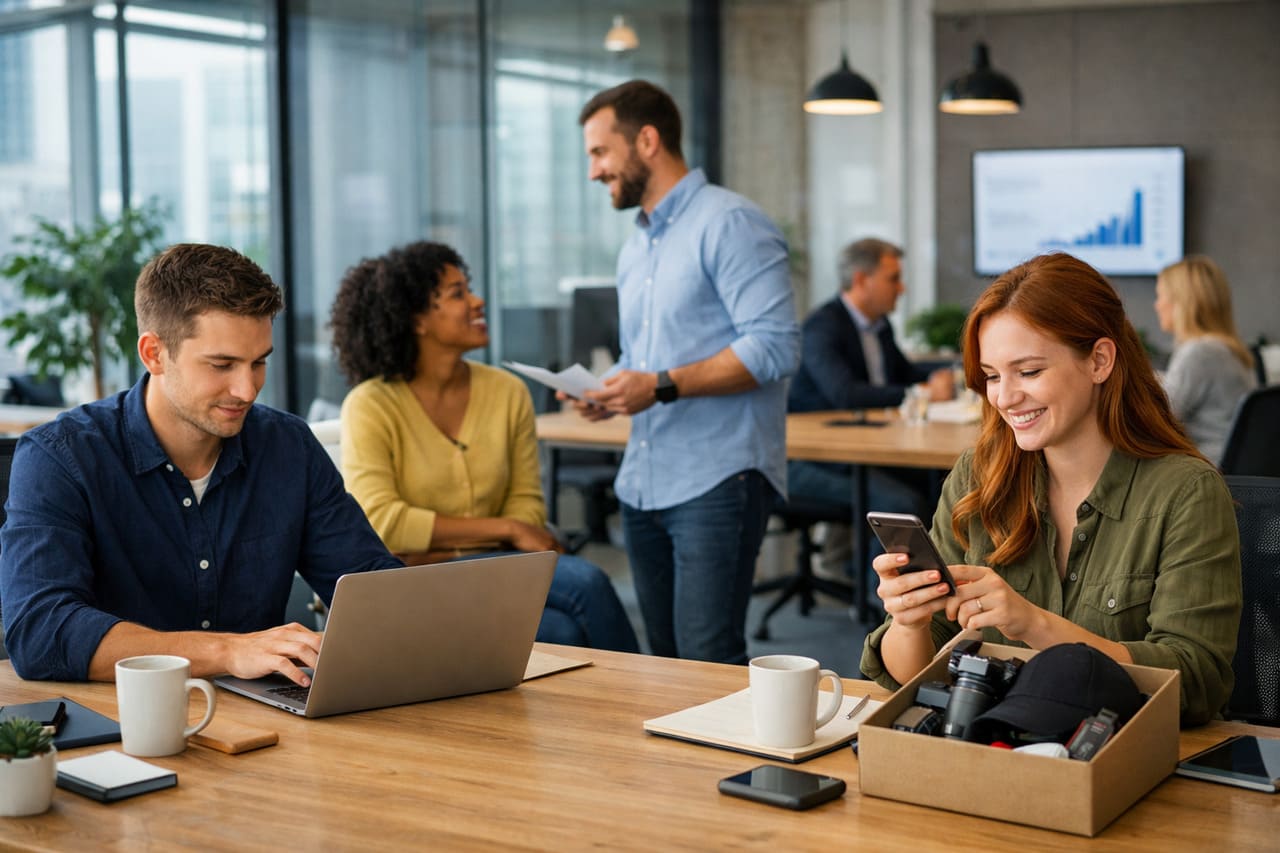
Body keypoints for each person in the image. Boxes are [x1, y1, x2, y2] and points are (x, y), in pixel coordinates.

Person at [861, 252, 1241, 725]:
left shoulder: (1186, 493)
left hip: (1124, 754)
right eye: (993, 376)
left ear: (1099, 360)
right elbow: (913, 680)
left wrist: (1033, 624)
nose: (1004, 397)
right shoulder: (978, 478)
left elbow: (1198, 682)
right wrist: (909, 622)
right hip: (992, 748)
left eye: (1029, 372)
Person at [0, 243, 401, 684]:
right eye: (222, 365)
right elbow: (41, 632)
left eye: (258, 363)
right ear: (154, 353)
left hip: (263, 717)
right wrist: (227, 651)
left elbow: (371, 589)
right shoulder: (58, 457)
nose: (247, 390)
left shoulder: (289, 446)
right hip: (117, 718)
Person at [573, 79, 799, 664]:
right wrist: (609, 391)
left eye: (600, 152)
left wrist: (659, 386)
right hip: (644, 480)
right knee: (666, 665)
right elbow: (645, 359)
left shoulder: (731, 222)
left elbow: (775, 347)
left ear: (647, 141)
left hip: (717, 478)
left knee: (707, 662)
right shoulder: (634, 248)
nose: (594, 171)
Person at [330, 241, 639, 653]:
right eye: (457, 294)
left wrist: (450, 547)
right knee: (585, 582)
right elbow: (382, 521)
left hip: (488, 572)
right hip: (409, 585)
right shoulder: (370, 405)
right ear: (417, 319)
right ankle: (647, 695)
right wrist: (505, 531)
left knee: (562, 630)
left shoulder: (507, 392)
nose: (478, 301)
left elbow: (527, 507)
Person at [787, 238, 954, 574]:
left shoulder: (879, 326)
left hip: (862, 451)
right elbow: (846, 394)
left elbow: (903, 373)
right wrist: (922, 392)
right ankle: (878, 598)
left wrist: (940, 374)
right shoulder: (822, 327)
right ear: (862, 280)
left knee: (944, 484)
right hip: (811, 458)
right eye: (893, 279)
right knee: (901, 504)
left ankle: (869, 573)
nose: (901, 288)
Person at [1154, 255, 1258, 465]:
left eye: (1161, 296)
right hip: (1240, 466)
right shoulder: (1229, 350)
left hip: (1207, 468)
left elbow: (1158, 417)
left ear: (1182, 303)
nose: (1157, 305)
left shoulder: (1198, 353)